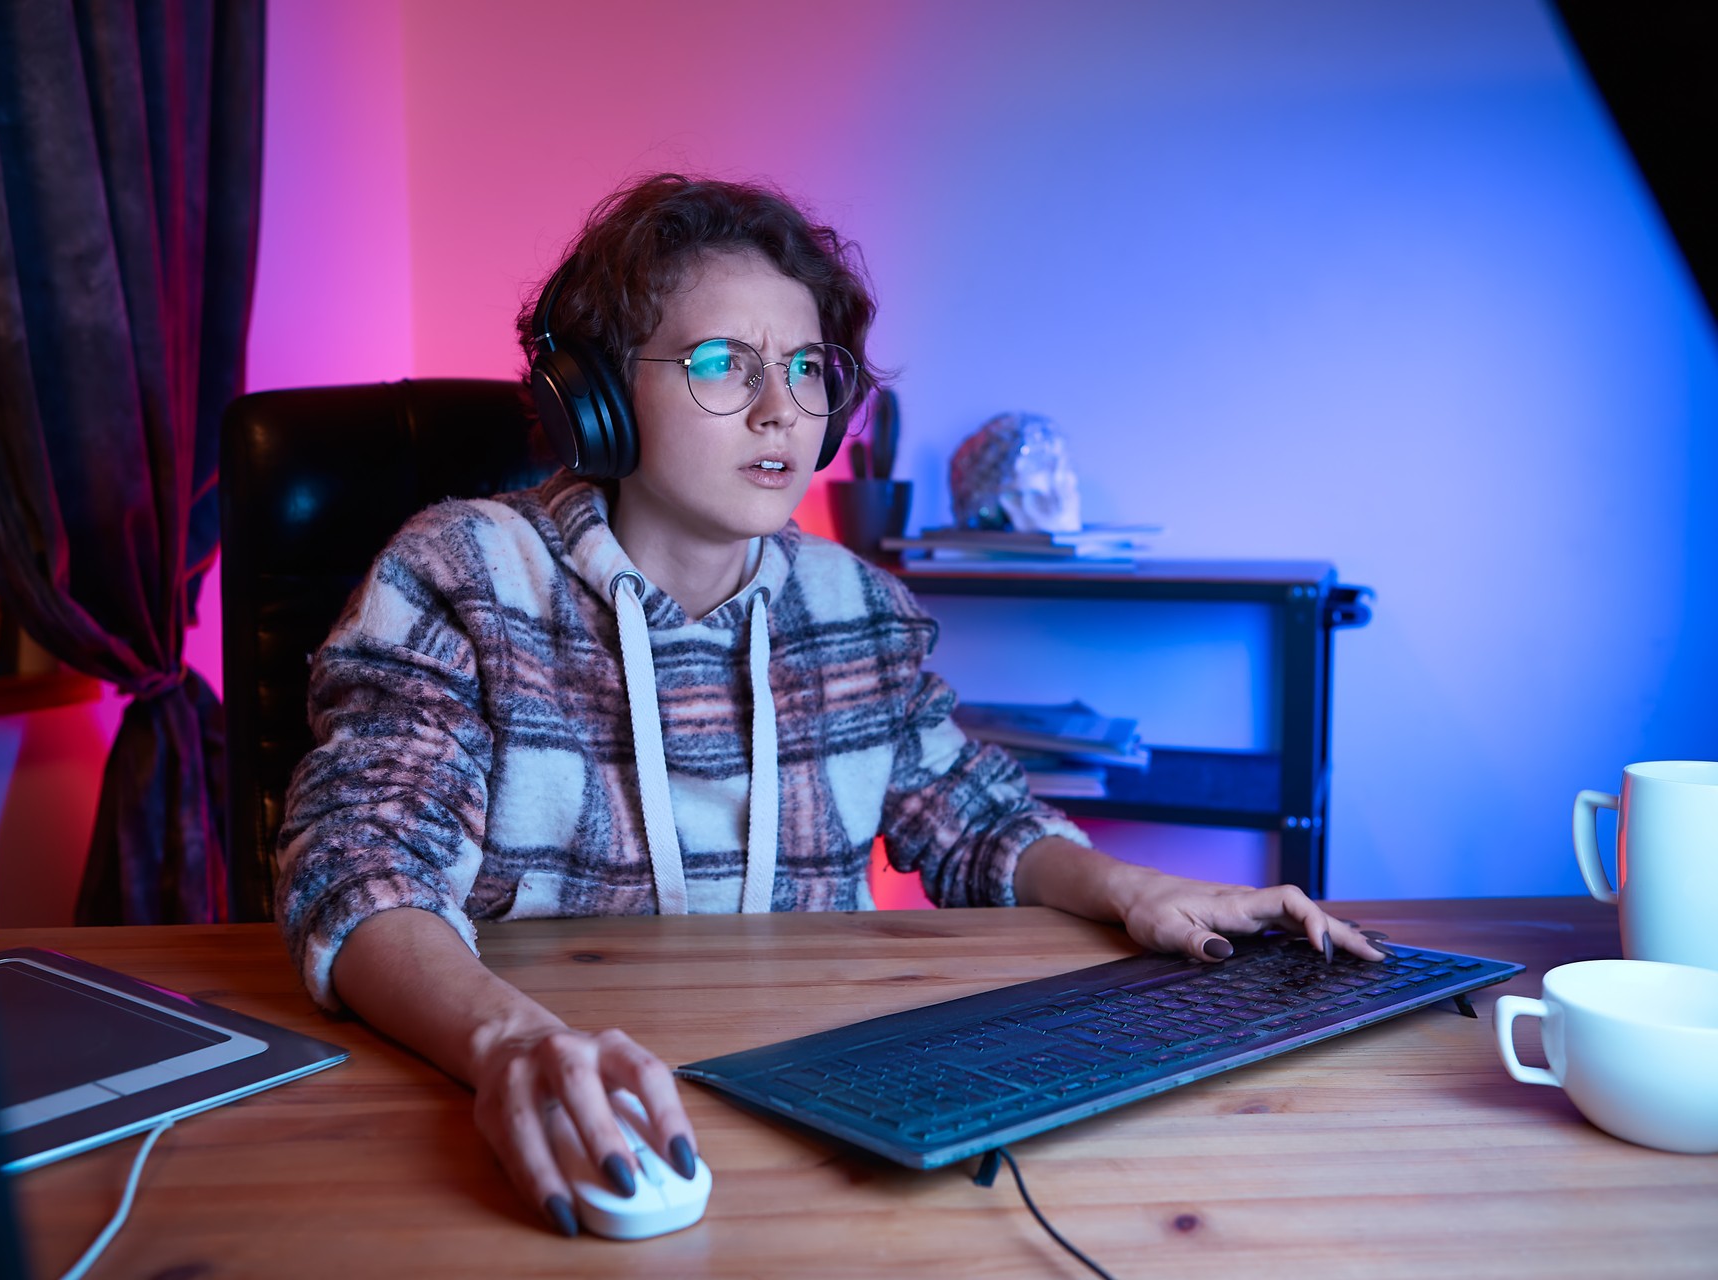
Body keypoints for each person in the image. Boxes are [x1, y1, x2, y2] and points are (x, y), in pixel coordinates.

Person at [275, 172, 1380, 1238]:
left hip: (807, 1102)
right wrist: (514, 1043)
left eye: (808, 367)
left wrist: (1137, 888)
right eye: (723, 362)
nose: (779, 409)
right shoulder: (464, 575)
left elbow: (976, 819)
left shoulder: (858, 607)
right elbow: (360, 867)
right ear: (599, 400)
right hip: (543, 1080)